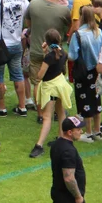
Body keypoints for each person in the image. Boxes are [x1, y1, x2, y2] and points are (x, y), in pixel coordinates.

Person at [24, 0, 71, 107]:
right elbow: (69, 29)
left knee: (37, 83)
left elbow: (29, 25)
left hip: (36, 51)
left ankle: (40, 113)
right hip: (55, 54)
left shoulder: (33, 4)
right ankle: (57, 111)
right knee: (56, 82)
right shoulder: (64, 10)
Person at [30, 29, 72, 159]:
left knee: (47, 117)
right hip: (61, 85)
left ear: (46, 42)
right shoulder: (63, 53)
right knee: (61, 113)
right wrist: (45, 52)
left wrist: (44, 56)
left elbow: (41, 75)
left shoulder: (49, 57)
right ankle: (62, 139)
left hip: (51, 88)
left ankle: (39, 145)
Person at [68, 5, 102, 142]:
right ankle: (98, 131)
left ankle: (88, 132)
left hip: (83, 71)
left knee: (84, 100)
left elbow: (72, 56)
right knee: (96, 98)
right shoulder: (99, 32)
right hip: (97, 70)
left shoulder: (78, 34)